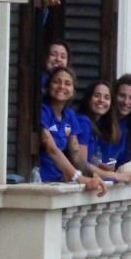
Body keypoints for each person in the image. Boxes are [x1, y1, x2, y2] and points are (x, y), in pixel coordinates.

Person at [39, 67, 107, 195]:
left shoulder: (70, 115)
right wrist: (78, 177)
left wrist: (92, 176)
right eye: (56, 82)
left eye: (67, 83)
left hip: (60, 181)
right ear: (48, 86)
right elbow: (51, 149)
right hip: (43, 183)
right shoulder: (43, 111)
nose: (61, 86)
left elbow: (76, 153)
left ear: (73, 91)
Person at [74, 81, 131, 184]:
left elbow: (89, 160)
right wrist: (115, 175)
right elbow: (82, 163)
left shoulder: (97, 125)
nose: (101, 100)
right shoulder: (83, 121)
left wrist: (101, 167)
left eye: (107, 97)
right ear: (89, 98)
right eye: (97, 96)